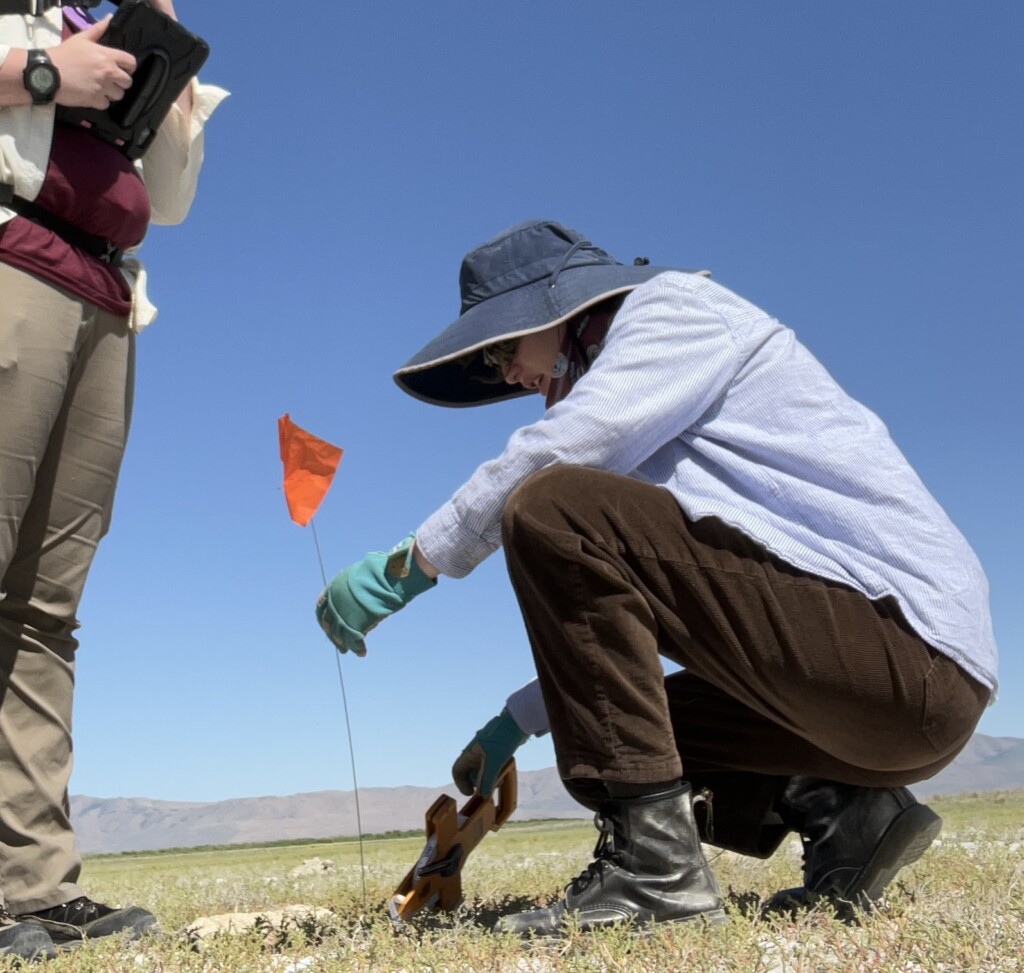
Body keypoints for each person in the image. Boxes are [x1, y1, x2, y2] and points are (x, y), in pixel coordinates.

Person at [316, 219, 997, 936]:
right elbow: (683, 609)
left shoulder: (673, 310)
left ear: (556, 306)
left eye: (501, 348)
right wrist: (519, 718)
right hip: (880, 691)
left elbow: (563, 450)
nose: (507, 374)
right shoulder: (655, 411)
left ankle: (657, 877)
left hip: (909, 656)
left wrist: (408, 565)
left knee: (551, 506)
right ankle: (848, 811)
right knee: (604, 745)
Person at [0, 0, 225, 959]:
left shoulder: (102, 18)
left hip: (103, 290)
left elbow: (167, 202)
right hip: (9, 252)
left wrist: (160, 81)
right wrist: (47, 75)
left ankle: (33, 889)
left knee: (46, 610)